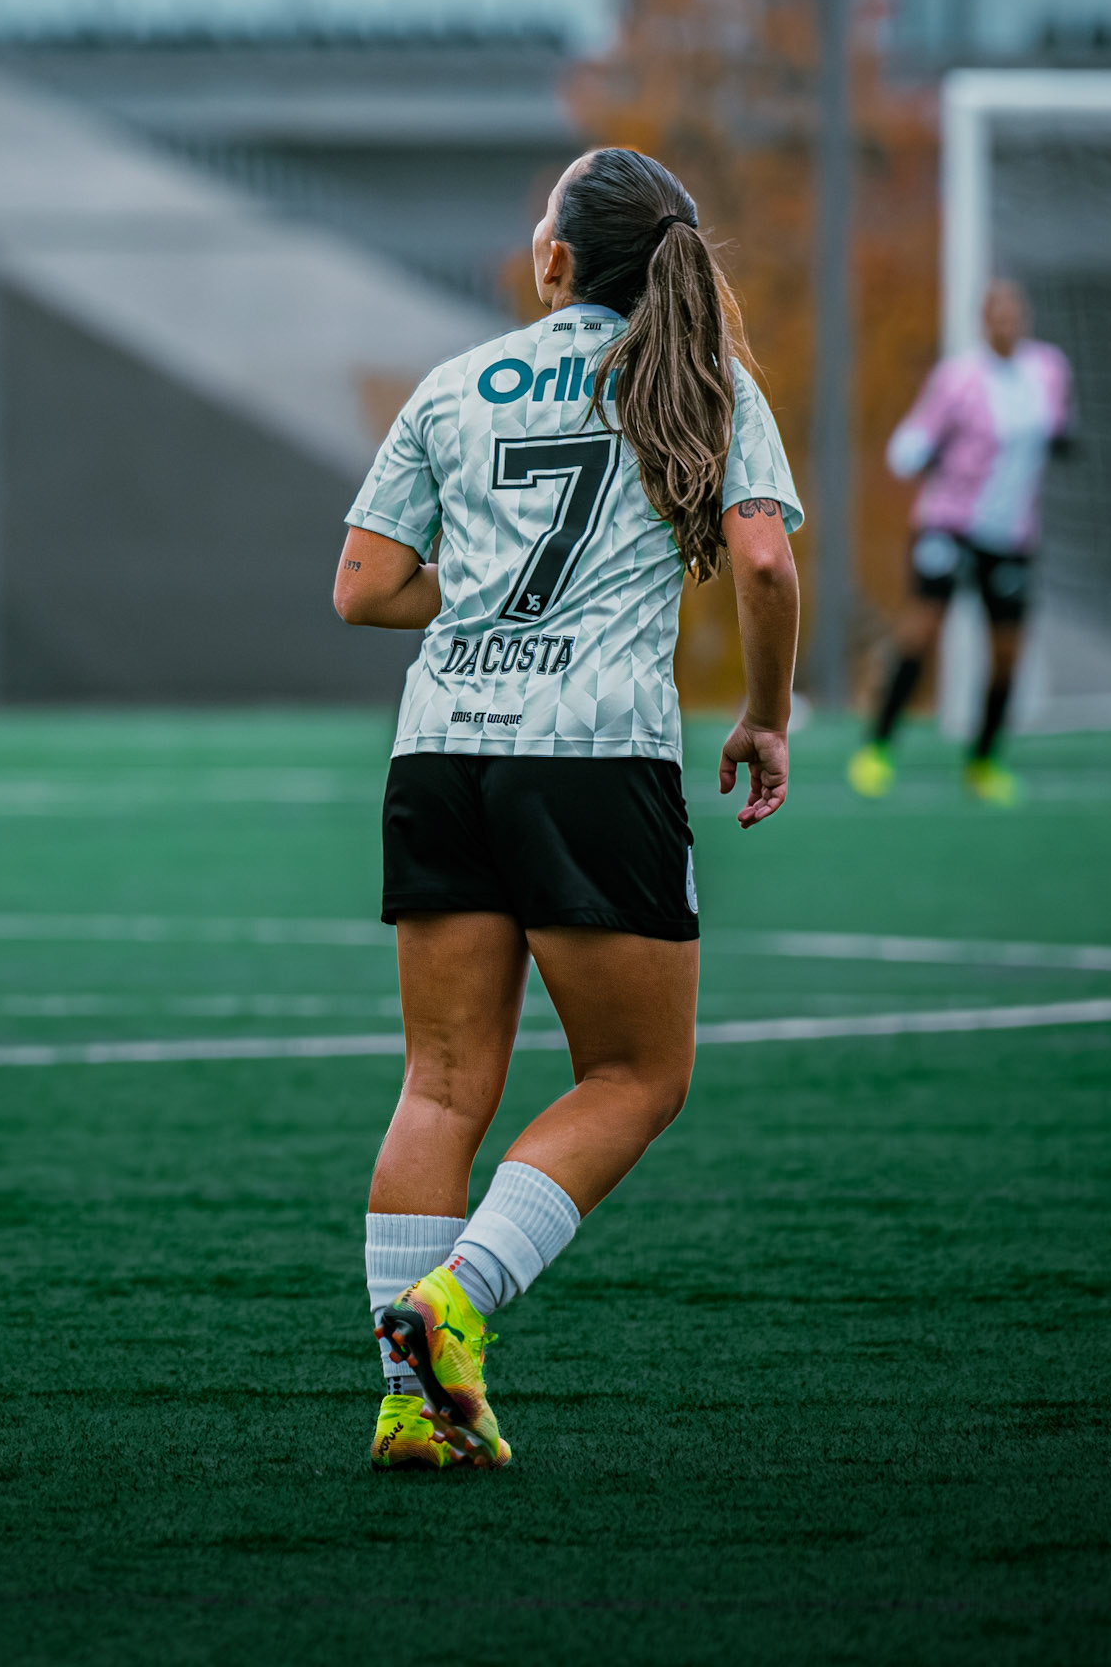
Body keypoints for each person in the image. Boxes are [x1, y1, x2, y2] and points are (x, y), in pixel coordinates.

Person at [333, 147, 802, 1471]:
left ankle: (412, 1405)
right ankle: (454, 1309)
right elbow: (762, 559)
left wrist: (473, 600)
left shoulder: (452, 384)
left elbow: (364, 589)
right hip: (593, 758)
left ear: (555, 261)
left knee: (440, 1083)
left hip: (441, 754)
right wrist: (766, 714)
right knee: (637, 1075)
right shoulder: (703, 381)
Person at [849, 279, 1075, 808]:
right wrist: (921, 452)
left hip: (1013, 535)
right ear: (983, 320)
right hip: (949, 525)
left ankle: (984, 761)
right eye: (996, 314)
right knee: (923, 629)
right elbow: (910, 445)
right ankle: (877, 748)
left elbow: (1061, 434)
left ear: (1024, 318)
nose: (1007, 322)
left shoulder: (1049, 371)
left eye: (1014, 313)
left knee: (1007, 651)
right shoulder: (959, 378)